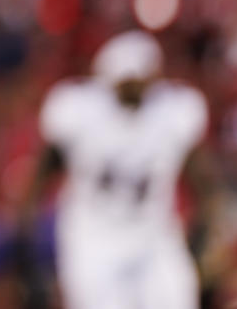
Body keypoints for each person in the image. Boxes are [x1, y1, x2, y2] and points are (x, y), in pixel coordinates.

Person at [23, 30, 218, 309]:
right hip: (93, 238)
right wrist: (27, 226)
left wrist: (208, 223)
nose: (133, 90)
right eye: (126, 81)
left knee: (178, 298)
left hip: (154, 236)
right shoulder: (79, 110)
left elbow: (201, 176)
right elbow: (43, 170)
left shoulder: (173, 111)